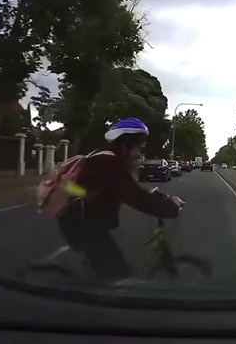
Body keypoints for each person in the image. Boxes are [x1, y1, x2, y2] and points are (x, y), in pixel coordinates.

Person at [35, 118, 185, 281]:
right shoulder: (109, 163)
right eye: (138, 148)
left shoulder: (104, 159)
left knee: (100, 268)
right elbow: (135, 198)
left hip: (82, 220)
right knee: (119, 276)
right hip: (84, 224)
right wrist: (169, 207)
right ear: (125, 145)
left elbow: (127, 189)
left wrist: (156, 197)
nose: (139, 154)